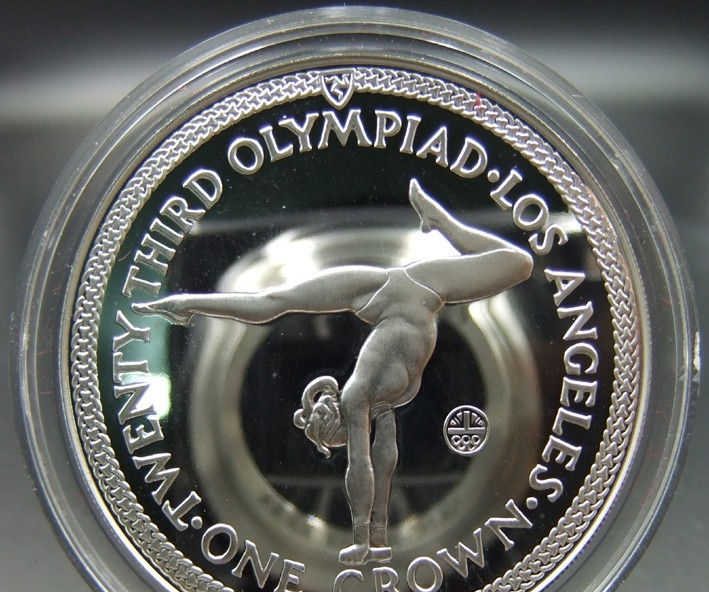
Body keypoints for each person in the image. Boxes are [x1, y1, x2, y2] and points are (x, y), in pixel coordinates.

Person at [134, 179, 533, 565]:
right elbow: (385, 461)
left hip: (386, 288)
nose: (353, 433)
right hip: (422, 292)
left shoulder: (358, 394)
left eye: (343, 431)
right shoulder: (379, 402)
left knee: (275, 301)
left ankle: (189, 302)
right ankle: (440, 222)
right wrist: (378, 539)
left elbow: (360, 466)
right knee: (519, 263)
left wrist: (361, 539)